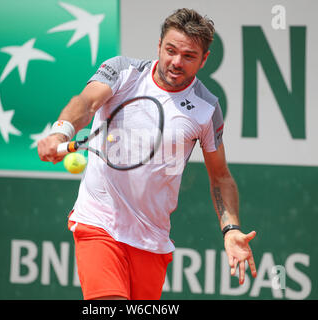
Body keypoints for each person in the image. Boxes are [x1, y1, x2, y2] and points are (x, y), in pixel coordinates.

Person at [38, 8, 257, 300]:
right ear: (159, 46)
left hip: (151, 240)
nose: (176, 62)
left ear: (204, 60)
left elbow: (221, 178)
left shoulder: (207, 109)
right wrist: (61, 131)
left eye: (189, 56)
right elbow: (87, 103)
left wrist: (231, 229)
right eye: (171, 50)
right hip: (99, 223)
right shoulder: (122, 72)